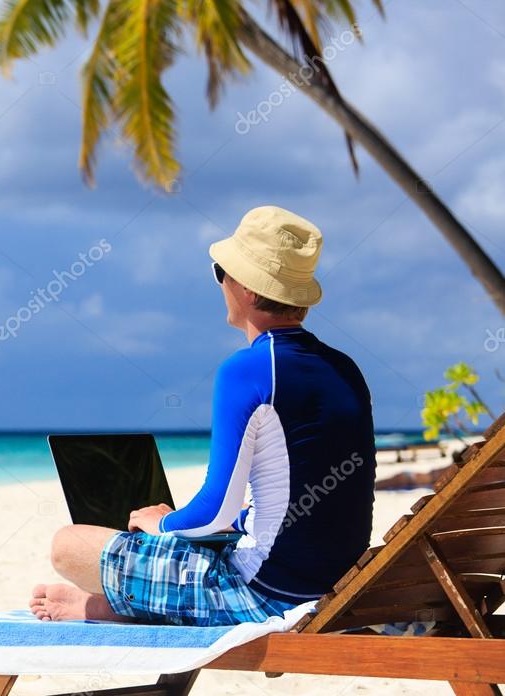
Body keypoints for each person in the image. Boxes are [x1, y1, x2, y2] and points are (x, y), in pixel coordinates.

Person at [30, 206, 377, 626]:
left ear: (247, 288)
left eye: (221, 272)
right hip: (334, 583)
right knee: (197, 536)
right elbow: (339, 498)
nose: (221, 283)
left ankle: (105, 606)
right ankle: (121, 601)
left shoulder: (247, 369)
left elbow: (213, 511)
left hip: (266, 596)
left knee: (68, 545)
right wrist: (247, 518)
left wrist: (161, 524)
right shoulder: (344, 368)